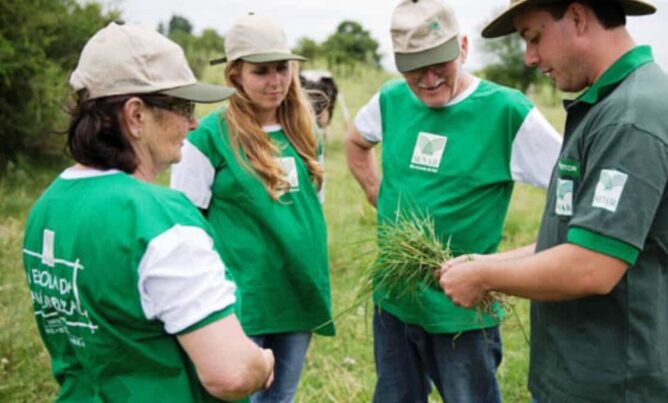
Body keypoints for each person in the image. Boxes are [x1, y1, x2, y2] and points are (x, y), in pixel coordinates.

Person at [439, 1, 668, 402]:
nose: (530, 58)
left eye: (534, 38)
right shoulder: (612, 105)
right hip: (591, 376)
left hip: (622, 383)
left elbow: (590, 267)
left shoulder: (632, 117)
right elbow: (583, 241)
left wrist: (483, 279)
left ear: (579, 18)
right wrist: (483, 263)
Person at [22, 22, 274, 402]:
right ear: (136, 115)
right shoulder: (157, 218)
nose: (193, 122)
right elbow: (231, 373)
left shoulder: (48, 206)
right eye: (182, 107)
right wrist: (261, 362)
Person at [344, 0, 562, 401]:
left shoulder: (506, 111)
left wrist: (523, 258)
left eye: (438, 63)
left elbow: (571, 189)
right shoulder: (391, 99)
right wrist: (380, 196)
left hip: (461, 312)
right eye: (414, 68)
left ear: (462, 47)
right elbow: (357, 143)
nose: (427, 79)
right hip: (394, 301)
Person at [170, 13, 334, 403]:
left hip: (297, 292)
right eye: (261, 71)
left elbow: (312, 210)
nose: (276, 81)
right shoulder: (209, 136)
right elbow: (186, 222)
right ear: (235, 75)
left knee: (280, 398)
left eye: (282, 69)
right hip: (241, 300)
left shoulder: (305, 131)